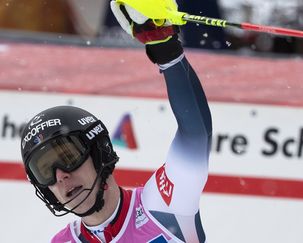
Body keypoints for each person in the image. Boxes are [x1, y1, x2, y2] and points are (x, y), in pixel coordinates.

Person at [19, 1, 212, 242]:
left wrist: (165, 47)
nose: (60, 177)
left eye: (68, 158)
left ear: (99, 151)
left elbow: (196, 135)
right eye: (45, 171)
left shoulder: (162, 207)